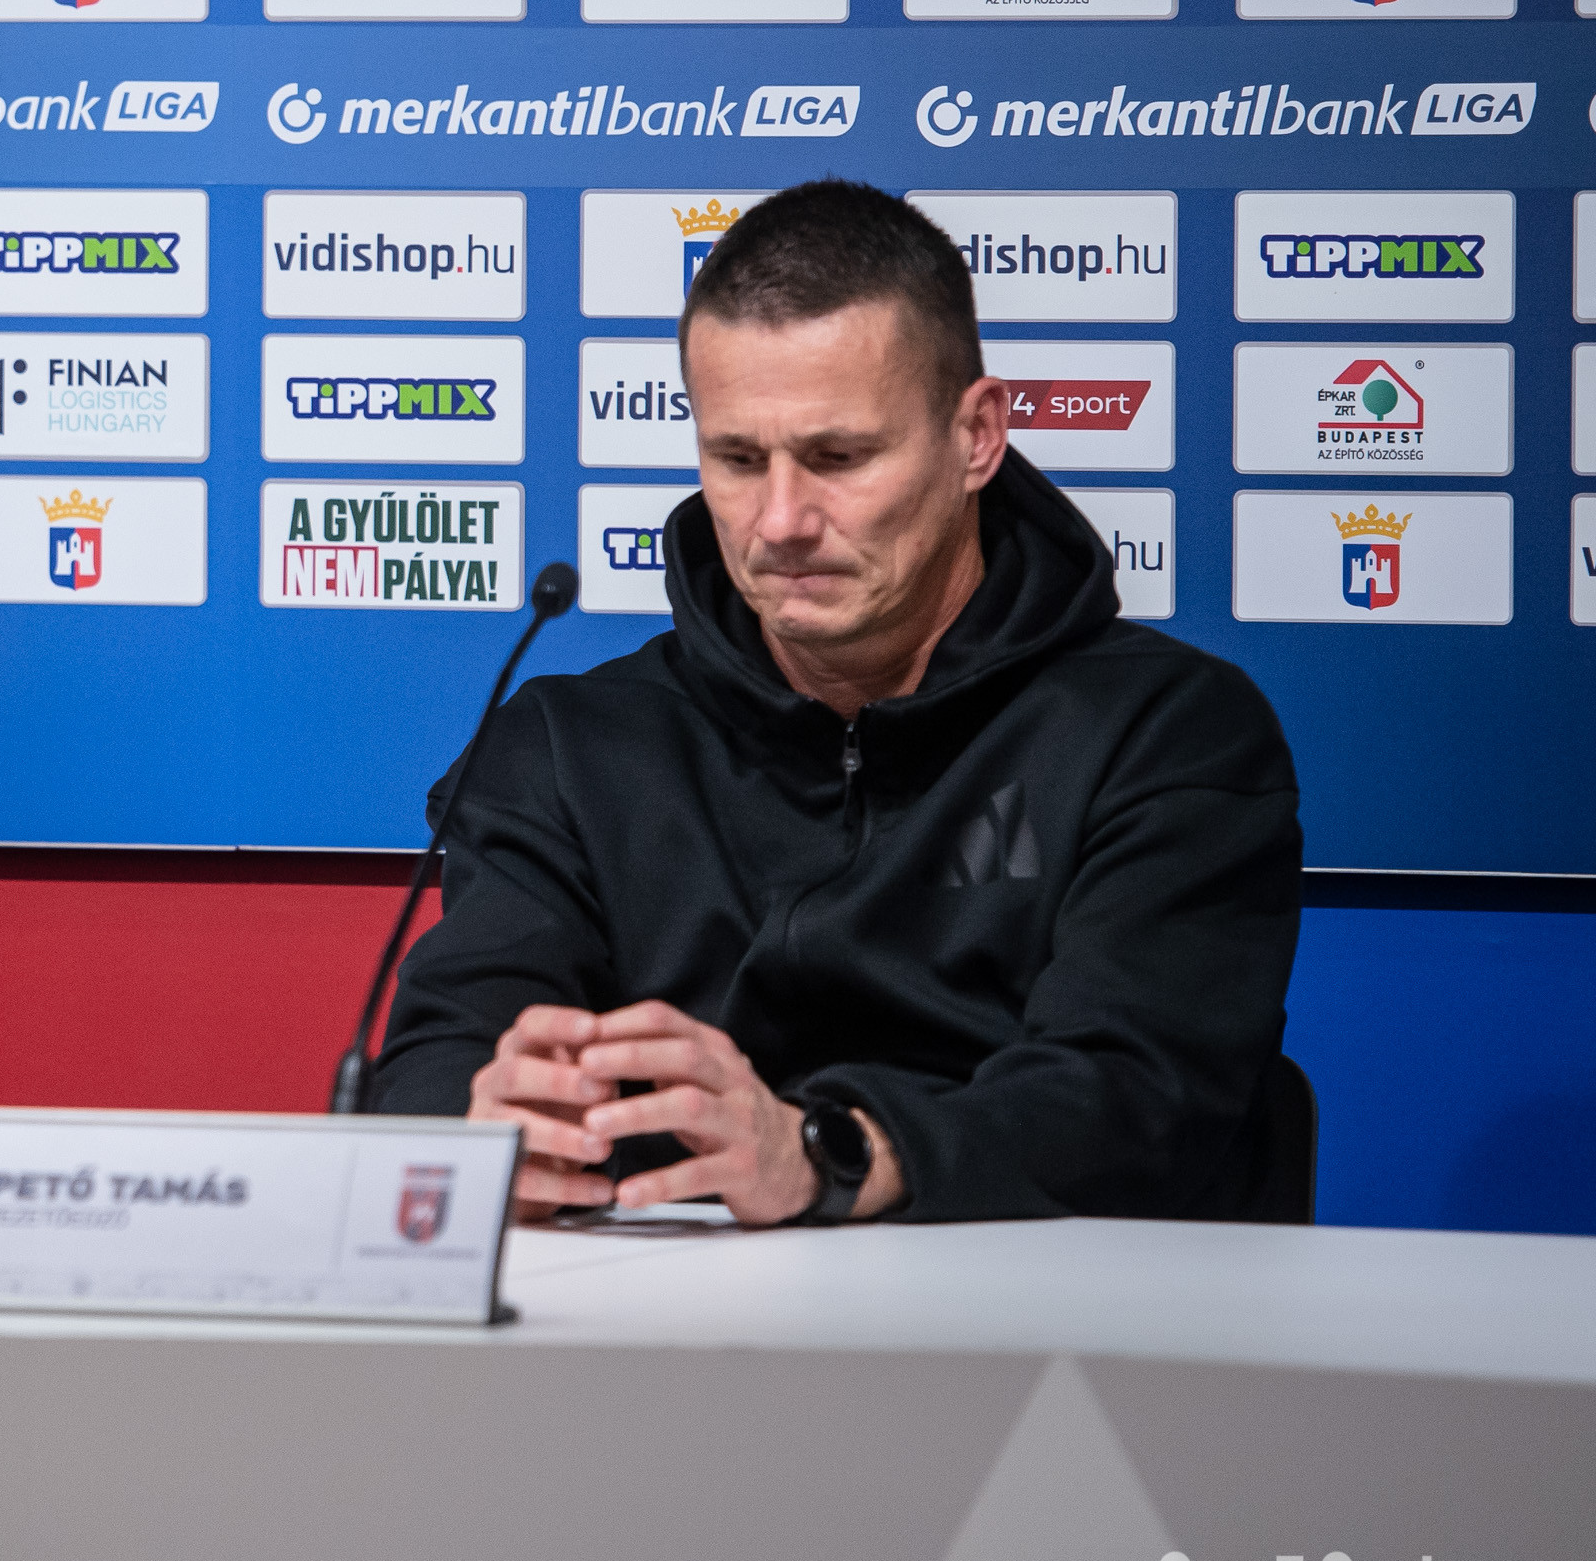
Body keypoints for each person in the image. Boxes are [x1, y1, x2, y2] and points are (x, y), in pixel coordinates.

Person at [373, 179, 1302, 1223]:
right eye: (737, 459)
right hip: (658, 1314)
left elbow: (1137, 1095)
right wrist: (477, 1127)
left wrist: (827, 1156)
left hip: (1058, 1313)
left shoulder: (1166, 733)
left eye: (838, 458)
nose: (780, 521)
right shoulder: (564, 750)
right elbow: (442, 1053)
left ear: (976, 436)